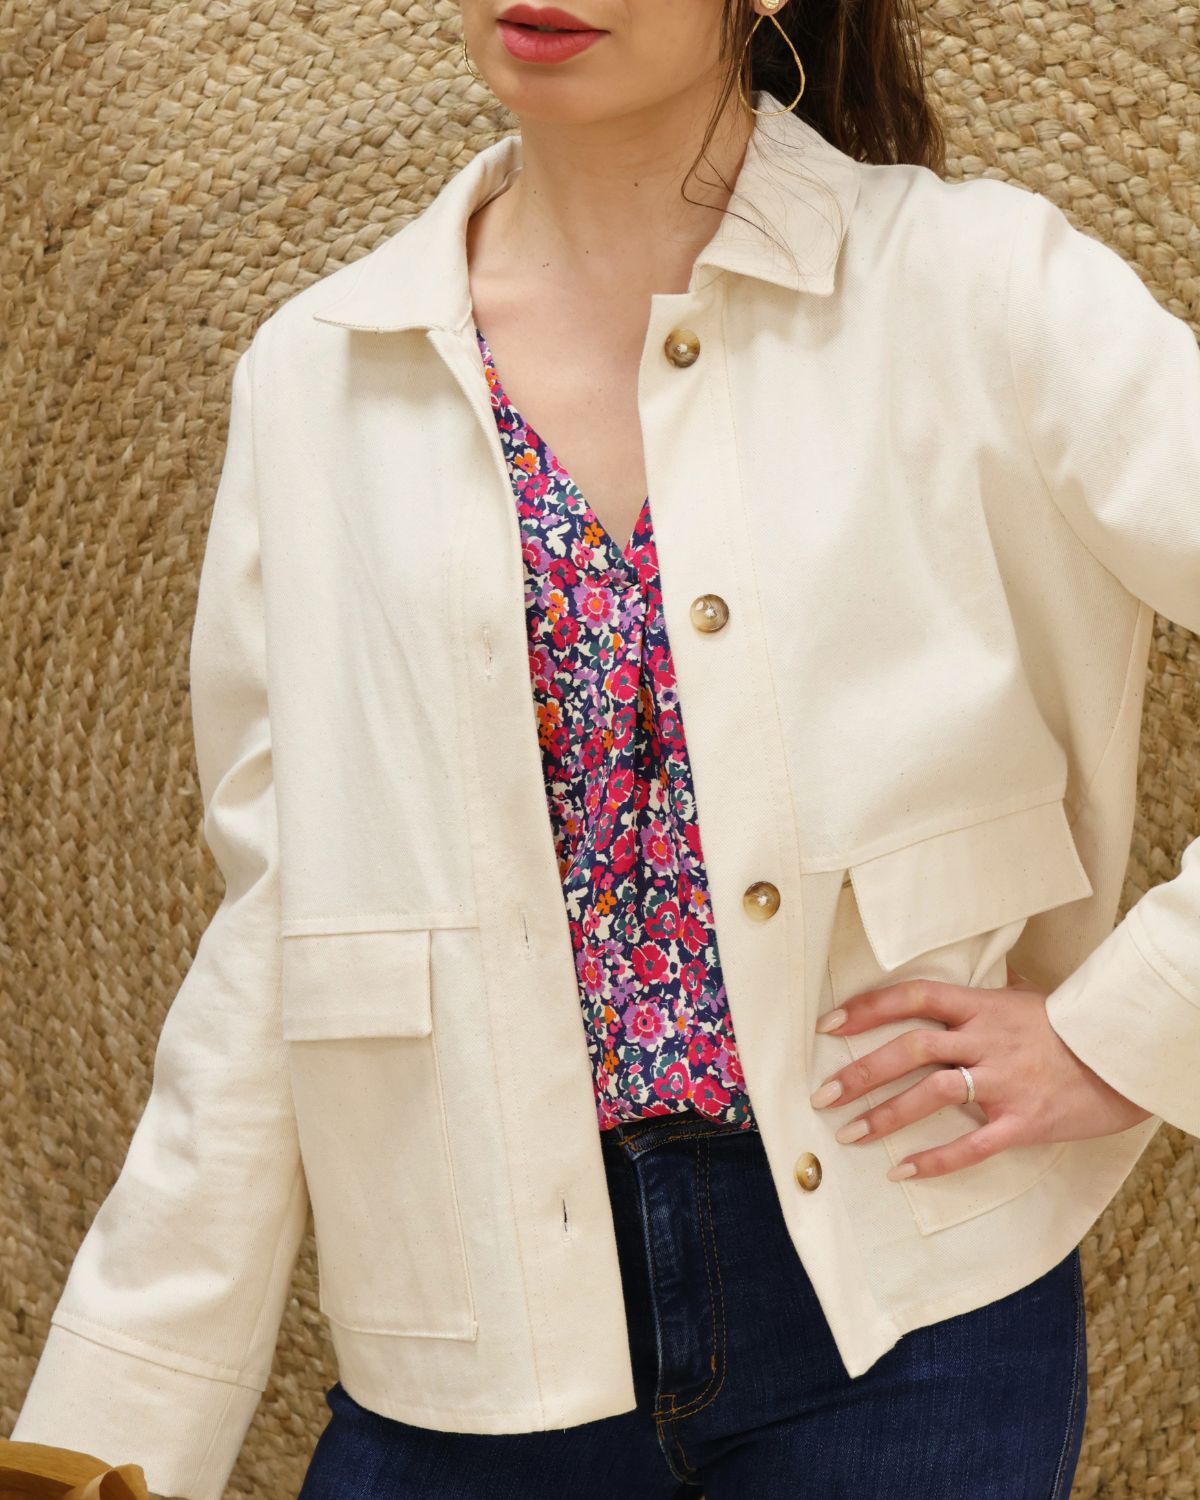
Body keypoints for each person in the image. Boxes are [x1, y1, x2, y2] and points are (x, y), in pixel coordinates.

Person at [11, 1, 1200, 1497]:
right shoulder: (318, 376)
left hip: (909, 1311)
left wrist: (1129, 1029)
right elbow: (285, 924)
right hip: (478, 1325)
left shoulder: (975, 290)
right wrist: (115, 1425)